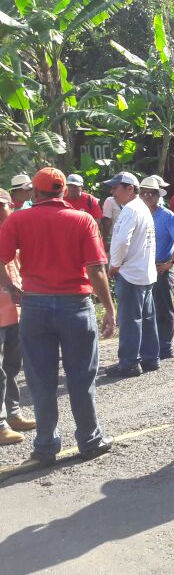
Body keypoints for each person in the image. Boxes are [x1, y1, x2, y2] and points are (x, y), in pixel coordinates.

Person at [0, 167, 117, 465]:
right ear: (64, 191)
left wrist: (12, 287)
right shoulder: (82, 220)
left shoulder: (18, 219)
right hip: (75, 305)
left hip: (35, 307)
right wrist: (109, 308)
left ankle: (45, 447)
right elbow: (95, 268)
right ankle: (90, 441)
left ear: (35, 193)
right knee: (80, 377)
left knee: (40, 380)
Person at [103, 171, 159, 378]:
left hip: (131, 273)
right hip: (144, 271)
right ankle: (150, 358)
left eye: (116, 188)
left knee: (130, 320)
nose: (112, 192)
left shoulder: (130, 210)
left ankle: (129, 362)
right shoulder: (142, 208)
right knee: (146, 317)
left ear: (129, 188)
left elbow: (121, 242)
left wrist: (114, 265)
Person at [0, 188, 34, 445]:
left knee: (12, 368)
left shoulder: (12, 233)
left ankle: (12, 413)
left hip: (14, 312)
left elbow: (19, 268)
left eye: (2, 205)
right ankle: (1, 424)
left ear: (11, 206)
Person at [140, 175, 174, 360]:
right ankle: (151, 347)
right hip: (143, 269)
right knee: (146, 310)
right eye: (144, 193)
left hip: (161, 267)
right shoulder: (138, 214)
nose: (147, 196)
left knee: (163, 308)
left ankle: (165, 347)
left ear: (158, 195)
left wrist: (171, 263)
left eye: (151, 193)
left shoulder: (166, 215)